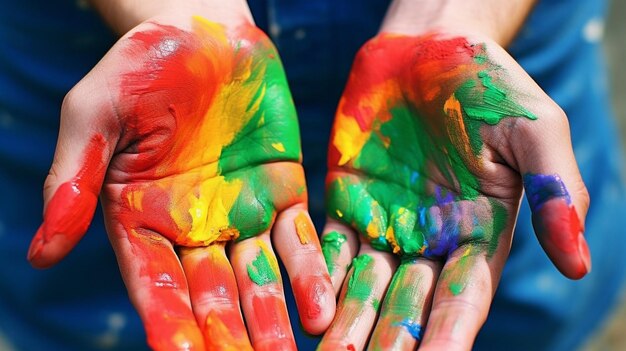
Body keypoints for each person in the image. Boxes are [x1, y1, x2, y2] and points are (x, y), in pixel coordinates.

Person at [0, 1, 624, 351]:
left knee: (484, 321)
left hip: (470, 78)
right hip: (134, 78)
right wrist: (180, 14)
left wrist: (454, 17)